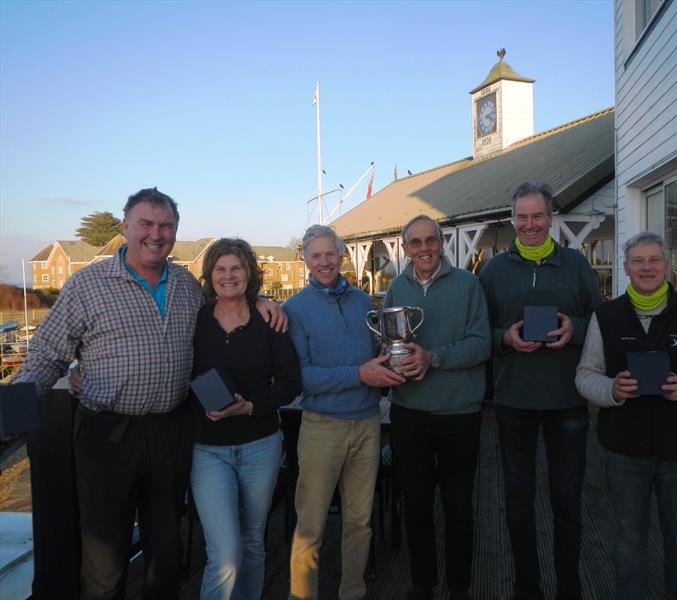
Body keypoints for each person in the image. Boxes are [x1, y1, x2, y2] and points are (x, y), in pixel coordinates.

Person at [14, 188, 285, 600]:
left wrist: (262, 299)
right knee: (105, 562)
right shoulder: (87, 285)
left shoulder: (186, 284)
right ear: (125, 227)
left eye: (165, 226)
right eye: (146, 224)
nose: (155, 234)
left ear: (175, 232)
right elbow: (46, 356)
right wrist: (8, 416)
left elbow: (227, 300)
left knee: (166, 555)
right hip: (107, 436)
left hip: (171, 434)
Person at [576, 232, 677, 600]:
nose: (646, 267)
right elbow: (586, 375)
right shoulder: (607, 315)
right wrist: (611, 391)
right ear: (627, 268)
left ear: (666, 266)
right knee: (629, 541)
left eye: (653, 260)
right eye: (637, 261)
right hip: (624, 450)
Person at [478, 181, 602, 600]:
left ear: (551, 218)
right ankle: (526, 587)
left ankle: (569, 587)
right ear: (513, 220)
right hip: (514, 402)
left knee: (567, 500)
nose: (529, 225)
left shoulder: (576, 264)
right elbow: (480, 332)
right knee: (517, 502)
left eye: (537, 216)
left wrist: (576, 327)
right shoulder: (492, 271)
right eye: (522, 217)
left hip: (567, 400)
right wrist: (505, 339)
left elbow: (600, 322)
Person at [284, 225, 405, 600]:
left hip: (367, 423)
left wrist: (388, 355)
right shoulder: (294, 309)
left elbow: (374, 352)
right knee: (310, 527)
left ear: (340, 257)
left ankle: (352, 593)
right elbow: (302, 378)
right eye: (315, 256)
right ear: (305, 260)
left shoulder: (361, 301)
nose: (324, 262)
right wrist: (359, 373)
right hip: (322, 428)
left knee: (359, 523)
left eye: (330, 254)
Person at [383, 215, 491, 600]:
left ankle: (459, 585)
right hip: (409, 412)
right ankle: (422, 583)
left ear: (442, 243)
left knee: (459, 506)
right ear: (406, 246)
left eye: (431, 240)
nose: (424, 249)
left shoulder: (468, 284)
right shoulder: (396, 287)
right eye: (415, 242)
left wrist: (433, 358)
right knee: (415, 504)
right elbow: (390, 341)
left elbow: (482, 344)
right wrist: (389, 357)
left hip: (459, 413)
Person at [190, 238, 301, 600]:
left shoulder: (269, 320)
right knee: (224, 554)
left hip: (261, 446)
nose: (228, 275)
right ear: (209, 275)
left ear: (249, 273)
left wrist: (250, 406)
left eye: (236, 267)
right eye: (220, 268)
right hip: (208, 449)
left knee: (253, 541)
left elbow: (290, 383)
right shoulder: (195, 321)